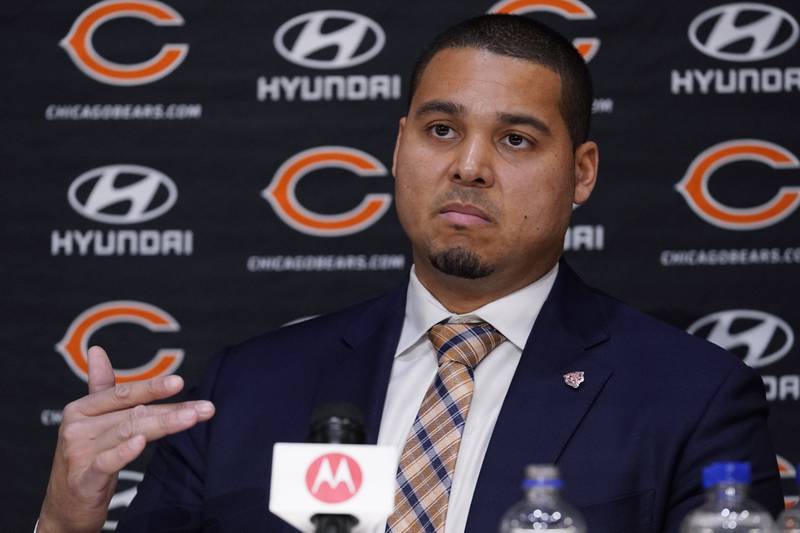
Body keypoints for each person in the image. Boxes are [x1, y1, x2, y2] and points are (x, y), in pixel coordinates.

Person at [36, 14, 783, 533]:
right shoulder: (246, 387)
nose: (468, 165)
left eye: (517, 139)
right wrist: (69, 515)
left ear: (581, 173)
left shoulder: (692, 398)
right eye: (441, 129)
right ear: (399, 148)